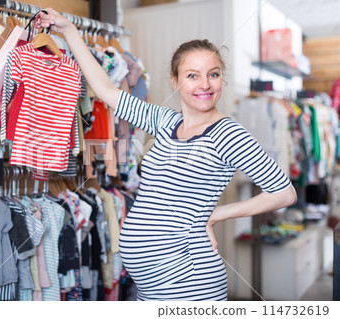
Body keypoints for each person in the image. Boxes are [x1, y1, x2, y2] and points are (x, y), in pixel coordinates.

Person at [37, 8, 297, 301]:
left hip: (190, 281)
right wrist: (69, 30)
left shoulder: (228, 134)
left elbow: (284, 194)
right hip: (149, 286)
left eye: (213, 74)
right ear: (175, 81)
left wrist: (213, 215)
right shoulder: (165, 121)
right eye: (192, 75)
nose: (205, 84)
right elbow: (104, 88)